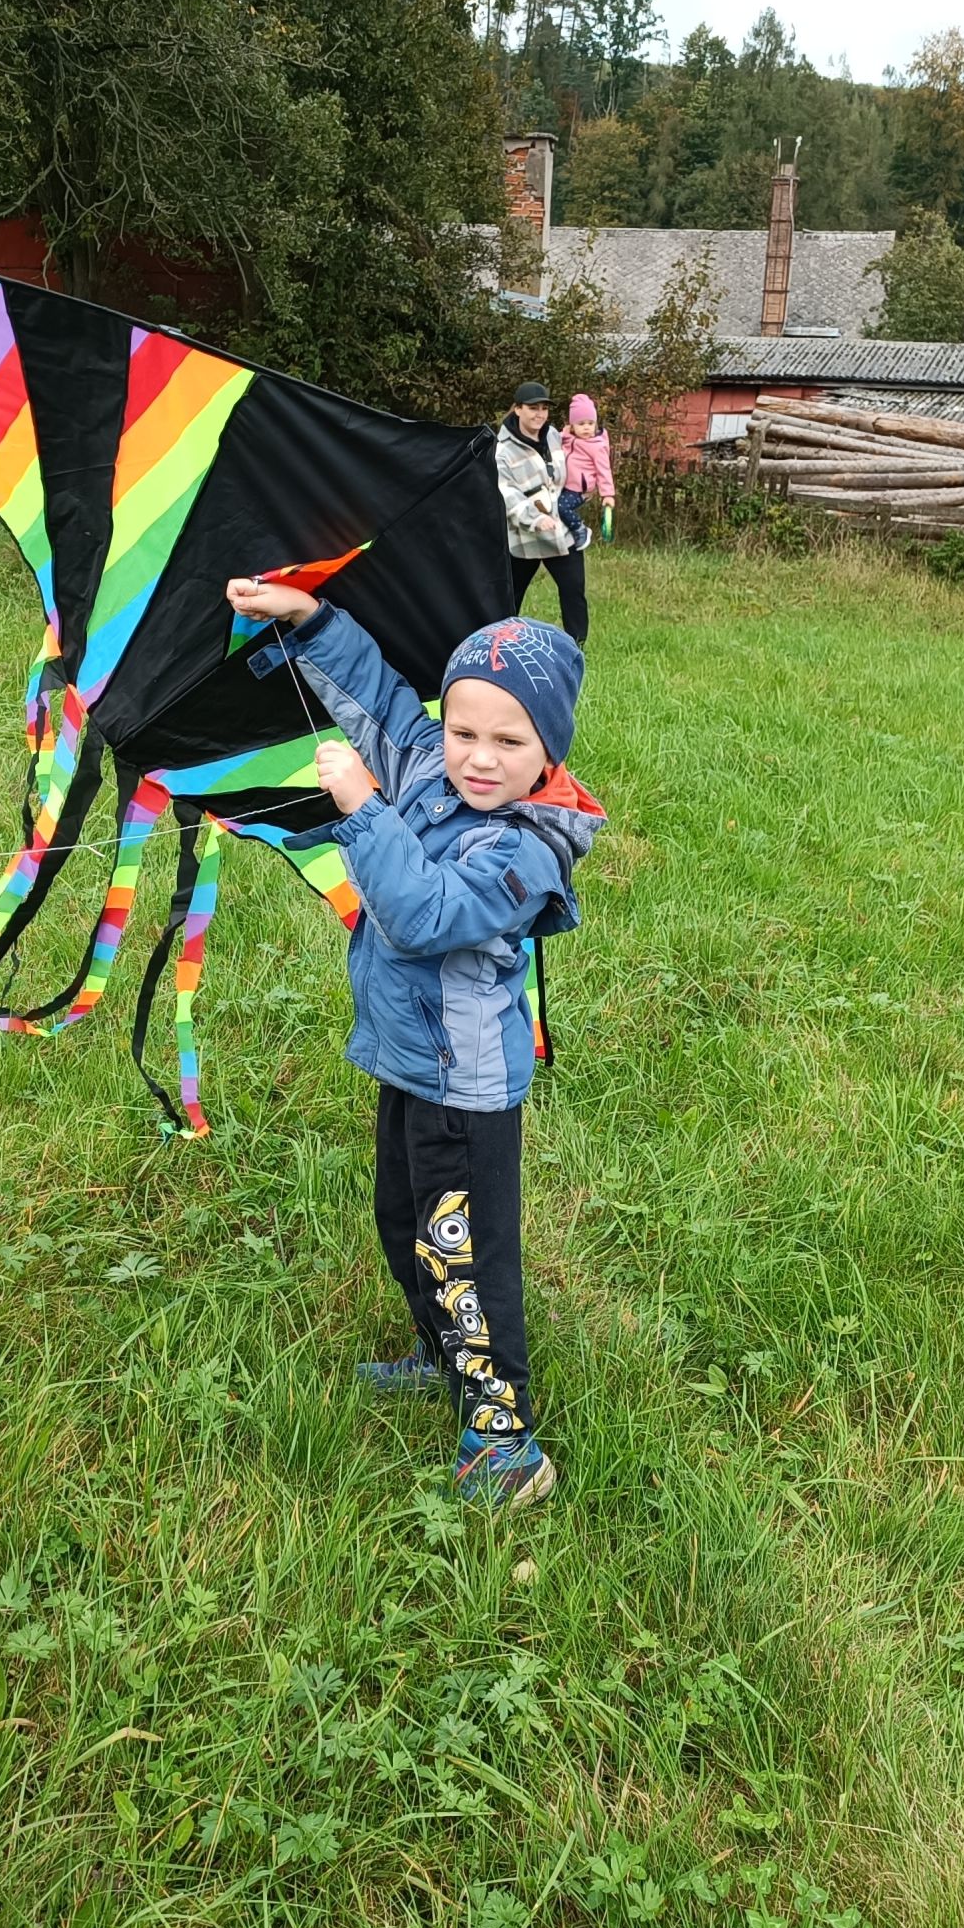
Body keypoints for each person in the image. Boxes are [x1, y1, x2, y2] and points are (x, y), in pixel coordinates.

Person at [222, 575, 603, 1509]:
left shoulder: (523, 850)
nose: (477, 758)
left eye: (509, 742)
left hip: (464, 1092)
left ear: (549, 750)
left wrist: (364, 809)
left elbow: (425, 915)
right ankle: (444, 1360)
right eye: (464, 731)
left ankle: (506, 1442)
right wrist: (310, 620)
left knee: (462, 1255)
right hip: (408, 1063)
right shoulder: (431, 763)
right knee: (404, 1223)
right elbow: (381, 699)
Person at [495, 382, 589, 645]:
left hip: (562, 532)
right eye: (533, 408)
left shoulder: (554, 437)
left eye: (544, 409)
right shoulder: (503, 450)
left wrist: (586, 486)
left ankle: (577, 648)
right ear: (517, 409)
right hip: (525, 538)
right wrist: (534, 519)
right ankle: (499, 643)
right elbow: (507, 494)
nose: (539, 414)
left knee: (574, 591)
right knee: (510, 597)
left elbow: (580, 460)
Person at [561, 393, 615, 545]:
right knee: (550, 506)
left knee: (561, 507)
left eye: (590, 423)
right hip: (563, 484)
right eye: (581, 423)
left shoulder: (596, 446)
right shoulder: (568, 438)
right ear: (572, 425)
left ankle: (580, 529)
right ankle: (563, 536)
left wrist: (607, 494)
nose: (586, 427)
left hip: (579, 489)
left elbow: (604, 471)